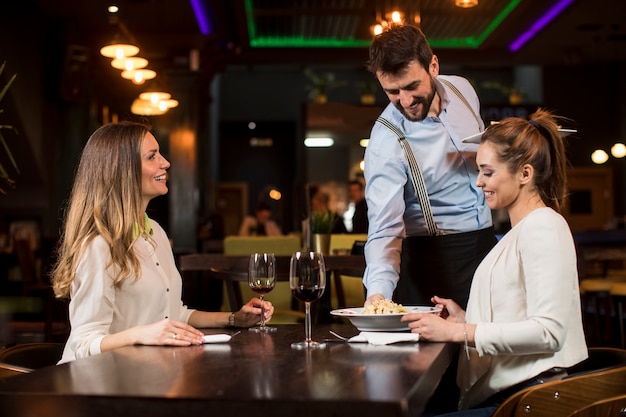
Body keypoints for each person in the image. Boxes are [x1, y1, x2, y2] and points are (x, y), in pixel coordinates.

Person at [402, 109, 588, 416]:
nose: (478, 183)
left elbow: (550, 332)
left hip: (528, 400)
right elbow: (520, 313)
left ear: (525, 174)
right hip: (514, 394)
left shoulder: (543, 227)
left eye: (488, 173)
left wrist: (457, 333)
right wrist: (465, 318)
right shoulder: (523, 231)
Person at [51, 121, 274, 364]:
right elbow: (83, 343)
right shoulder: (99, 244)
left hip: (142, 375)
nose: (165, 162)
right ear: (122, 170)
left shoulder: (155, 232)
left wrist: (234, 319)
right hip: (93, 387)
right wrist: (143, 334)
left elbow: (173, 313)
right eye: (152, 156)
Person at [362, 24, 497, 309]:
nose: (406, 101)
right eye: (393, 92)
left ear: (433, 65)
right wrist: (377, 295)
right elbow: (384, 230)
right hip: (435, 262)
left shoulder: (462, 89)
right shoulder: (386, 138)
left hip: (488, 246)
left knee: (492, 348)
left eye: (412, 86)